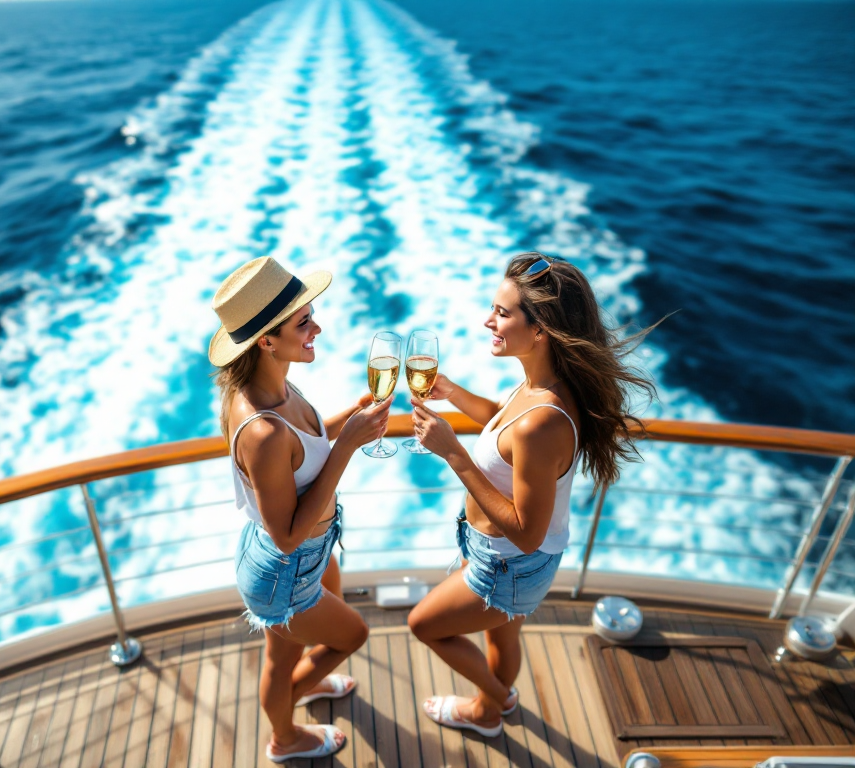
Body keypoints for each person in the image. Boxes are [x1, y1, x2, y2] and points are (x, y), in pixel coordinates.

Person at [406, 252, 655, 738]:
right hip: (502, 558)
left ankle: (496, 702)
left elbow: (525, 532)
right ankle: (487, 715)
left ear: (540, 330)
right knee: (502, 637)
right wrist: (454, 393)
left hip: (510, 562)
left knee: (424, 624)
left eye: (502, 313)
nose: (488, 320)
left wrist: (452, 452)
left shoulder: (544, 419)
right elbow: (502, 421)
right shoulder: (540, 386)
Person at [209, 256, 392, 762]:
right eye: (303, 322)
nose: (317, 327)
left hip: (304, 555)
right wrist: (348, 447)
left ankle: (296, 696)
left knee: (283, 653)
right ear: (266, 340)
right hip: (286, 564)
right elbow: (288, 532)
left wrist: (347, 419)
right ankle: (284, 734)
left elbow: (304, 447)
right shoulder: (262, 431)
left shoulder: (274, 386)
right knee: (350, 634)